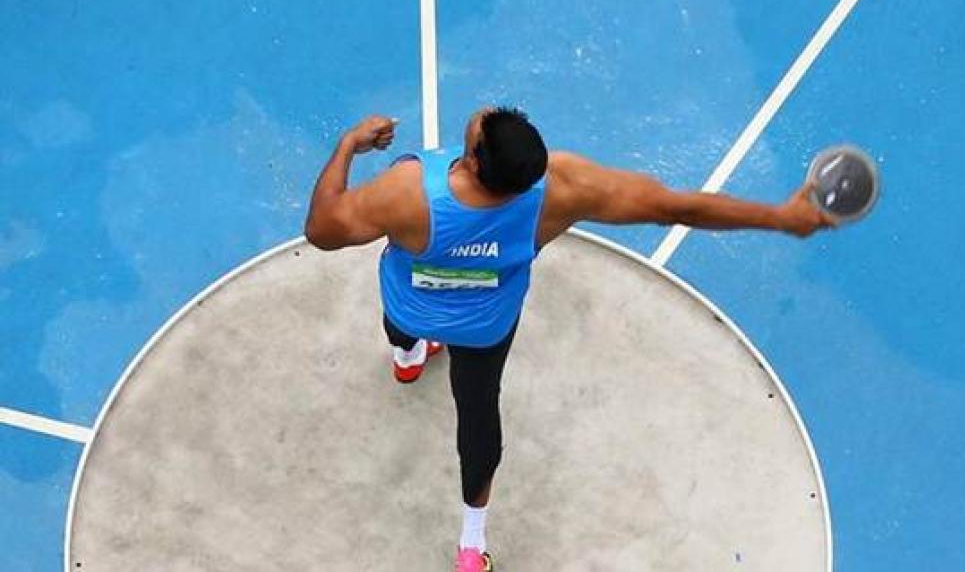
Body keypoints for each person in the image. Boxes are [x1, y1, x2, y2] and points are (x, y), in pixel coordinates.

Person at [304, 107, 833, 571]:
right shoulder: (561, 191)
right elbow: (678, 209)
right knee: (478, 414)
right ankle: (471, 546)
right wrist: (781, 218)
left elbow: (322, 230)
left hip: (413, 307)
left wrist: (348, 144)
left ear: (471, 160)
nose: (482, 112)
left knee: (402, 322)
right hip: (485, 327)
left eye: (484, 126)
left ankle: (407, 356)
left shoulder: (407, 194)